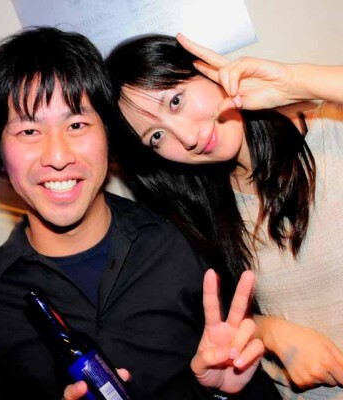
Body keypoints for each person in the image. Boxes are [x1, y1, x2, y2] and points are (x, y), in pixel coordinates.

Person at [0, 26, 281, 400]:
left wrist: (222, 393)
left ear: (109, 137)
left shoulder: (179, 242)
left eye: (77, 124)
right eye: (29, 131)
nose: (57, 156)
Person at [106, 32, 343, 399]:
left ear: (206, 71)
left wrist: (293, 80)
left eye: (176, 101)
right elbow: (233, 316)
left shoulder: (331, 130)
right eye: (156, 136)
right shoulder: (202, 218)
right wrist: (271, 332)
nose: (187, 137)